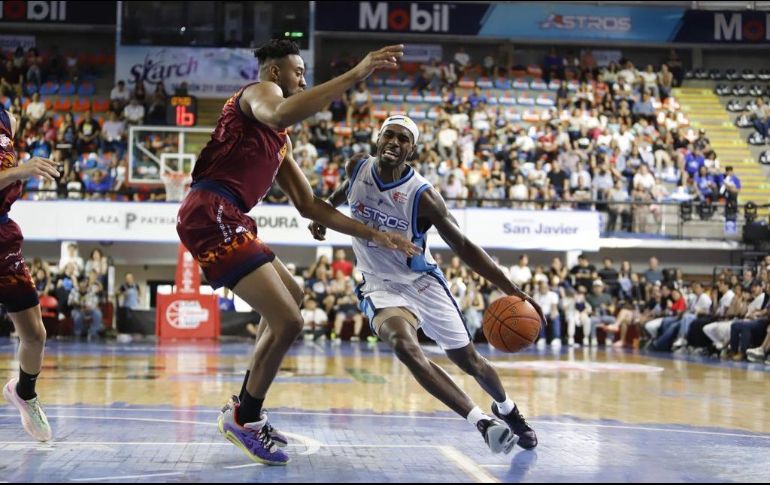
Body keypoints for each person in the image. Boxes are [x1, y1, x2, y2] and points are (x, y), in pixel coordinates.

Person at [175, 40, 418, 466]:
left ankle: (244, 408)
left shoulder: (278, 140)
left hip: (229, 215)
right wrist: (354, 74)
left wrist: (375, 234)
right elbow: (282, 110)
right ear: (275, 73)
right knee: (289, 320)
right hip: (211, 210)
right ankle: (245, 417)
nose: (303, 79)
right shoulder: (258, 95)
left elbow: (309, 205)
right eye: (298, 71)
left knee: (294, 301)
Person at [309, 115, 544, 454]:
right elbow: (348, 191)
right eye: (389, 135)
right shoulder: (356, 167)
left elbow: (463, 246)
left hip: (422, 282)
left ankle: (508, 410)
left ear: (413, 150)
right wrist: (327, 210)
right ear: (378, 138)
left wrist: (513, 289)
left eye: (403, 139)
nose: (394, 142)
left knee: (471, 362)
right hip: (379, 284)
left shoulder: (423, 196)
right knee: (406, 347)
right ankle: (482, 422)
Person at [0, 106, 60, 442]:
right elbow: (11, 172)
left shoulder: (8, 119)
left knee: (35, 334)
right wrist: (18, 171)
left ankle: (25, 391)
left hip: (3, 237)